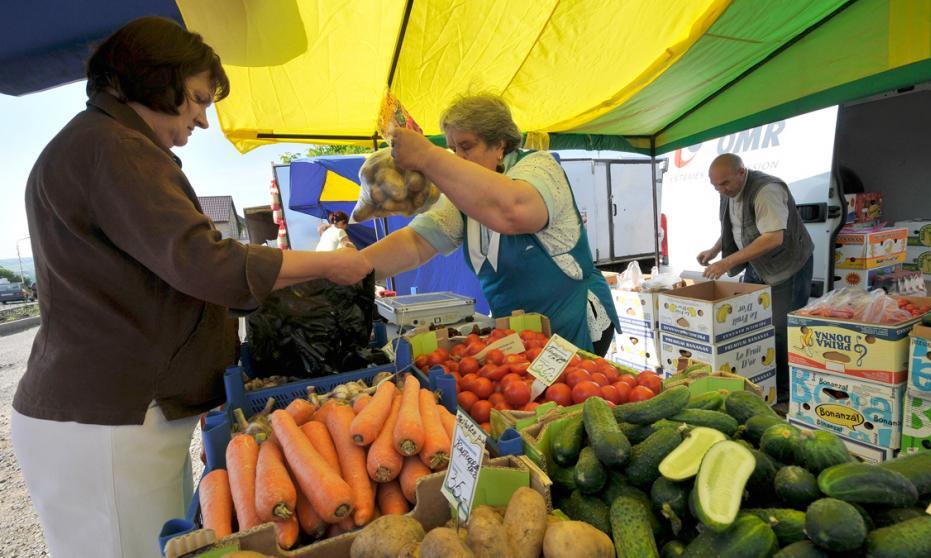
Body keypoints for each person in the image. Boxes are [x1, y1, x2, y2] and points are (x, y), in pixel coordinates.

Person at [11, 17, 371, 558]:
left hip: (114, 415)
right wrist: (327, 266)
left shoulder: (101, 143)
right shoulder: (115, 149)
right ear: (156, 80)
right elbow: (206, 264)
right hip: (110, 419)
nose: (203, 120)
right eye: (198, 99)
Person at [362, 94, 619, 354]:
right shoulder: (464, 196)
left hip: (573, 319)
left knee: (575, 389)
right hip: (523, 334)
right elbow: (416, 243)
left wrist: (428, 156)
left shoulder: (538, 168)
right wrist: (354, 268)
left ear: (499, 144)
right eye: (453, 149)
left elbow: (514, 210)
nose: (458, 158)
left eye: (466, 146)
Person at [696, 153, 814, 403]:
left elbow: (773, 237)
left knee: (781, 328)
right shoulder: (729, 191)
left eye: (724, 183)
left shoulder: (766, 191)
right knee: (753, 323)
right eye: (715, 185)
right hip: (758, 265)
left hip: (787, 265)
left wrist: (727, 262)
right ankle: (760, 379)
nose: (720, 189)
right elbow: (736, 226)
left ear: (742, 172)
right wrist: (715, 250)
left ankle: (784, 391)